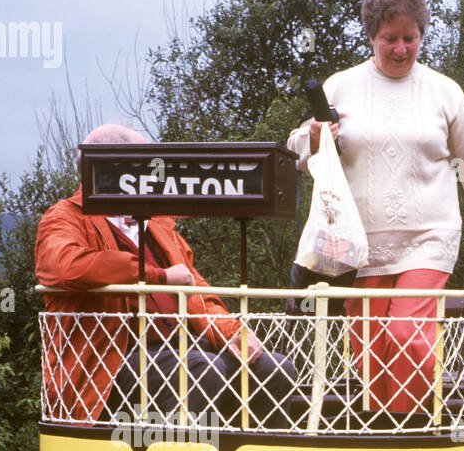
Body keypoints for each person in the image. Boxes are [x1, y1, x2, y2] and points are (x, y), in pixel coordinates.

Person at [286, 0, 464, 416]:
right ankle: (379, 435)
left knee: (406, 335)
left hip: (429, 238)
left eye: (410, 38)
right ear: (371, 37)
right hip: (359, 244)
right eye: (390, 39)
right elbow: (296, 148)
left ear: (422, 35)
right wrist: (313, 136)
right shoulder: (341, 86)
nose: (401, 49)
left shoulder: (445, 92)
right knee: (368, 348)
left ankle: (412, 428)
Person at [36, 125, 296, 425]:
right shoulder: (65, 217)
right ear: (111, 168)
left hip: (182, 347)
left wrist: (231, 332)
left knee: (274, 368)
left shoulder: (159, 224)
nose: (154, 174)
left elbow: (198, 293)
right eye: (145, 163)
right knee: (201, 369)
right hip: (110, 358)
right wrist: (157, 277)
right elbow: (64, 266)